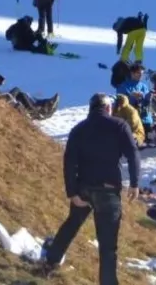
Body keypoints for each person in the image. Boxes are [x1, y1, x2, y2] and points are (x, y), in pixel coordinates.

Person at [41, 95, 140, 285]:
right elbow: (133, 154)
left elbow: (69, 163)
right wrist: (135, 183)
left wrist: (72, 193)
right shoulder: (119, 126)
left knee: (71, 225)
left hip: (83, 189)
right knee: (107, 244)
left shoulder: (78, 129)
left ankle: (50, 262)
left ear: (91, 108)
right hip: (108, 191)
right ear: (108, 108)